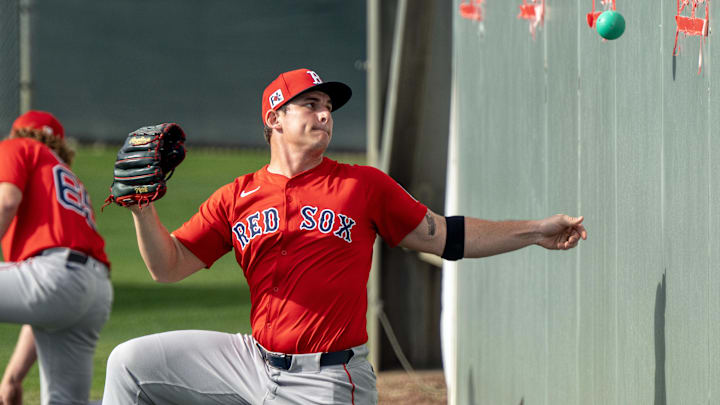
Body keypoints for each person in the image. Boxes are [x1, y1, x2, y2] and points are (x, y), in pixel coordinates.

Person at [102, 68, 587, 405]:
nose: (324, 115)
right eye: (309, 105)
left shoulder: (362, 186)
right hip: (251, 360)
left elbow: (447, 237)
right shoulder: (237, 196)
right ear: (274, 119)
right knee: (131, 364)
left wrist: (534, 231)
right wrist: (143, 211)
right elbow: (168, 267)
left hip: (328, 379)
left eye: (328, 107)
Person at [0, 111, 113, 405]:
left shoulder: (19, 147)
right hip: (94, 291)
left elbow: (6, 201)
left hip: (56, 275)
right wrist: (13, 377)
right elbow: (47, 300)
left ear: (18, 132)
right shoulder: (67, 176)